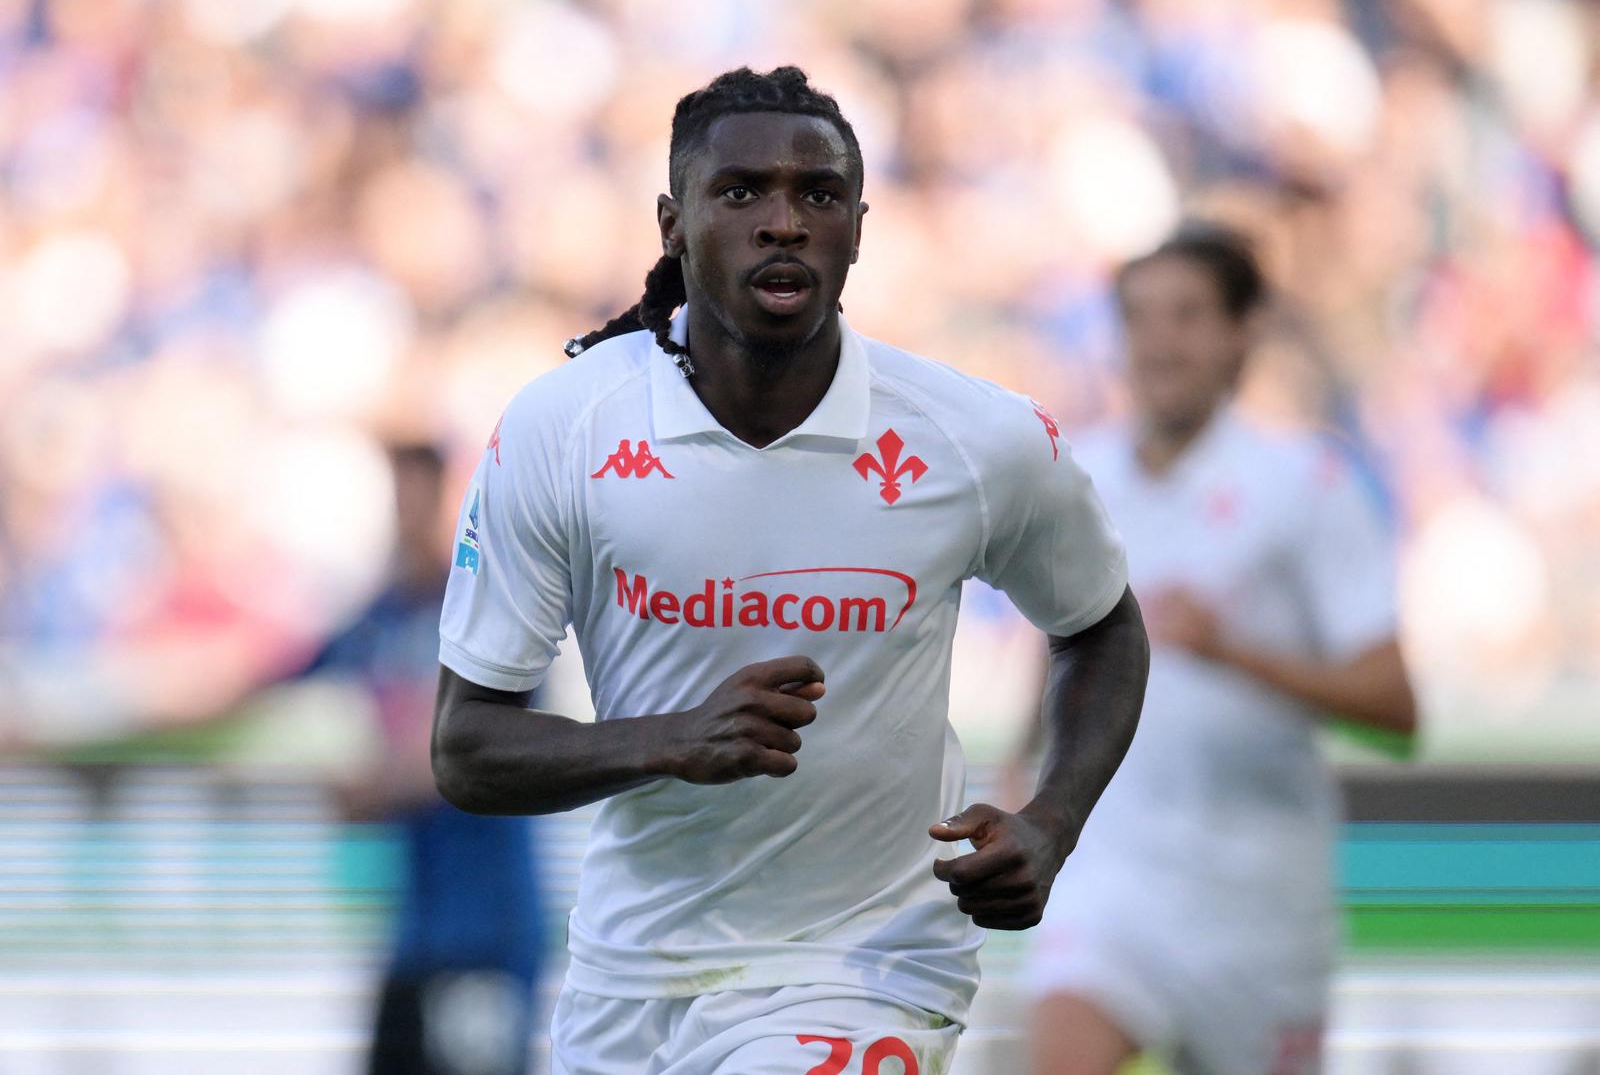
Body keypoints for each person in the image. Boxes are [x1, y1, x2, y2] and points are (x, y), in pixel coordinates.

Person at [430, 66, 1149, 1074]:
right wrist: (672, 741)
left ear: (859, 226)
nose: (783, 221)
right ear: (673, 224)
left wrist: (1053, 821)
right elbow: (466, 748)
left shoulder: (973, 438)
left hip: (869, 968)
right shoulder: (564, 429)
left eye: (817, 195)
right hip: (629, 981)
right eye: (741, 193)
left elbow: (1100, 624)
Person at [1012, 226, 1418, 1075]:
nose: (1160, 342)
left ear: (1241, 333)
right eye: (1141, 318)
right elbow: (1056, 642)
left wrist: (1234, 651)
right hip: (1112, 876)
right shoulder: (1079, 480)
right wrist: (1023, 760)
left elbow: (1396, 706)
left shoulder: (1307, 483)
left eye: (1188, 315)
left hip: (1259, 905)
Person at [310, 443, 543, 1075]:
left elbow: (470, 745)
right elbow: (269, 679)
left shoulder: (491, 613)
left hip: (485, 930)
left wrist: (376, 787)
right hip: (414, 932)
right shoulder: (375, 620)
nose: (403, 515)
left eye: (415, 497)